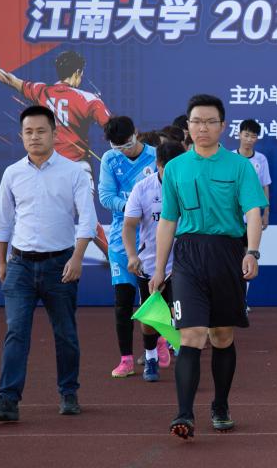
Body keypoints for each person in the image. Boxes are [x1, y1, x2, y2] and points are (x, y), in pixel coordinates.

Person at [149, 94, 267, 440]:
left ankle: (220, 405)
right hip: (188, 256)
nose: (203, 128)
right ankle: (184, 414)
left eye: (210, 122)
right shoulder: (175, 168)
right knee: (191, 335)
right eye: (197, 121)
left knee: (221, 335)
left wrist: (252, 252)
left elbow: (253, 212)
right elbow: (168, 220)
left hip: (228, 252)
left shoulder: (239, 167)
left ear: (222, 126)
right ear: (188, 126)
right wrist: (159, 269)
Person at [0, 105, 97, 422]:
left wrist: (77, 257)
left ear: (54, 134)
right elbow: (2, 221)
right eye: (28, 132)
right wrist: (1, 262)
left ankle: (68, 392)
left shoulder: (74, 172)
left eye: (41, 131)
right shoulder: (12, 173)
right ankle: (7, 400)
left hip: (61, 265)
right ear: (21, 136)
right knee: (16, 333)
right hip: (19, 264)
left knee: (65, 334)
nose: (34, 137)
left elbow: (87, 219)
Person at [0, 50, 112, 257]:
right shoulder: (89, 99)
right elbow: (113, 128)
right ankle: (112, 256)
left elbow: (10, 80)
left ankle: (34, 252)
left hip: (48, 167)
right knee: (87, 216)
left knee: (46, 212)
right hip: (78, 166)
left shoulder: (41, 91)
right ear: (77, 72)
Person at [98, 116, 157, 379]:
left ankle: (154, 351)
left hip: (152, 239)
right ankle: (126, 359)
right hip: (121, 239)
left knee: (150, 300)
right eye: (118, 147)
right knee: (122, 302)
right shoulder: (110, 159)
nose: (124, 150)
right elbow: (106, 196)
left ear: (137, 133)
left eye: (128, 144)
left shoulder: (155, 156)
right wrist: (131, 207)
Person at [123, 141, 187, 382]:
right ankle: (151, 357)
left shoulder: (191, 186)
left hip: (185, 264)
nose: (174, 174)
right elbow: (129, 226)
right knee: (150, 318)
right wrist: (132, 255)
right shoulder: (142, 189)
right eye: (168, 169)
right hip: (150, 264)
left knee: (184, 314)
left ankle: (184, 356)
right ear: (158, 165)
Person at [233, 119, 272, 231]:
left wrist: (266, 213)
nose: (249, 139)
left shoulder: (261, 159)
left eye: (253, 136)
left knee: (250, 243)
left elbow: (265, 186)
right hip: (231, 216)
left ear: (257, 138)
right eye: (246, 135)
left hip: (253, 216)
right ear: (239, 135)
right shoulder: (230, 157)